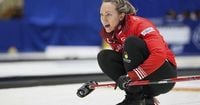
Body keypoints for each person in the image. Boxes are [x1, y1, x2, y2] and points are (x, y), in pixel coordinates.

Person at [97, 0, 177, 105]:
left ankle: (136, 99)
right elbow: (128, 60)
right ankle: (138, 99)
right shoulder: (108, 33)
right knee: (104, 57)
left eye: (108, 14)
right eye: (101, 14)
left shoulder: (140, 25)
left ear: (121, 16)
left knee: (131, 42)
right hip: (142, 80)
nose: (104, 19)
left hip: (163, 75)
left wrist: (132, 76)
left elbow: (159, 55)